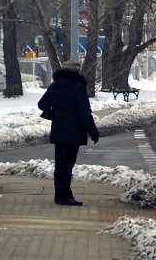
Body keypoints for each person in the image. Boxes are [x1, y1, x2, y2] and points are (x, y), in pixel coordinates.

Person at [37, 60, 100, 206]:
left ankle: (59, 195)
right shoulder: (78, 88)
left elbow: (42, 104)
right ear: (76, 72)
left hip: (58, 131)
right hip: (74, 132)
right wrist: (93, 132)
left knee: (60, 165)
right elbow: (84, 112)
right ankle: (65, 196)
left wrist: (54, 115)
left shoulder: (55, 86)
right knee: (67, 165)